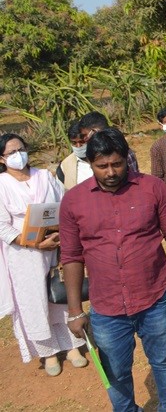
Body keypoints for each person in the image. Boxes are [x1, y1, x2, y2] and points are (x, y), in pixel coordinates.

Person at [60, 128, 166, 411]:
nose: (110, 172)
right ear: (90, 164)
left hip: (154, 298)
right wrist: (75, 311)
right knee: (116, 371)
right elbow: (72, 257)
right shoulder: (74, 201)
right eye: (102, 166)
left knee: (163, 361)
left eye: (116, 164)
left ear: (127, 158)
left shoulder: (152, 188)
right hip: (106, 306)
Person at [0, 133, 86, 377]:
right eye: (11, 153)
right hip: (23, 254)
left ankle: (73, 346)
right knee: (34, 302)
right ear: (2, 159)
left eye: (21, 149)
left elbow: (63, 206)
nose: (19, 155)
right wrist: (35, 244)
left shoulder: (44, 176)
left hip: (55, 246)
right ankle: (48, 352)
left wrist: (58, 236)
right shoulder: (1, 185)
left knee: (60, 295)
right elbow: (2, 225)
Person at [56, 120, 93, 190]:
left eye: (82, 142)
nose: (78, 146)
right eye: (74, 143)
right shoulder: (64, 167)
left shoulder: (104, 159)